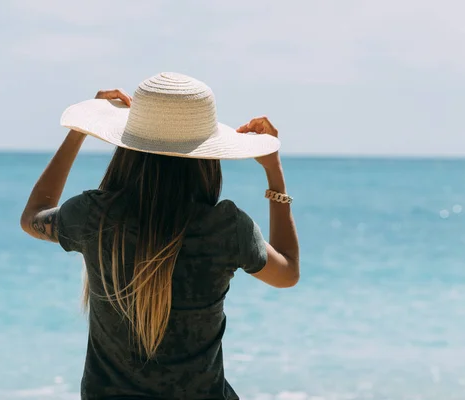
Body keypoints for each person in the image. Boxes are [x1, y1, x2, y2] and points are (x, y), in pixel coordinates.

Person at [20, 72, 299, 400]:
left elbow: (32, 217)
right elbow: (287, 273)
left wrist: (79, 133)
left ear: (128, 148)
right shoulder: (226, 227)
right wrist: (274, 175)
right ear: (208, 156)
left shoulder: (95, 216)